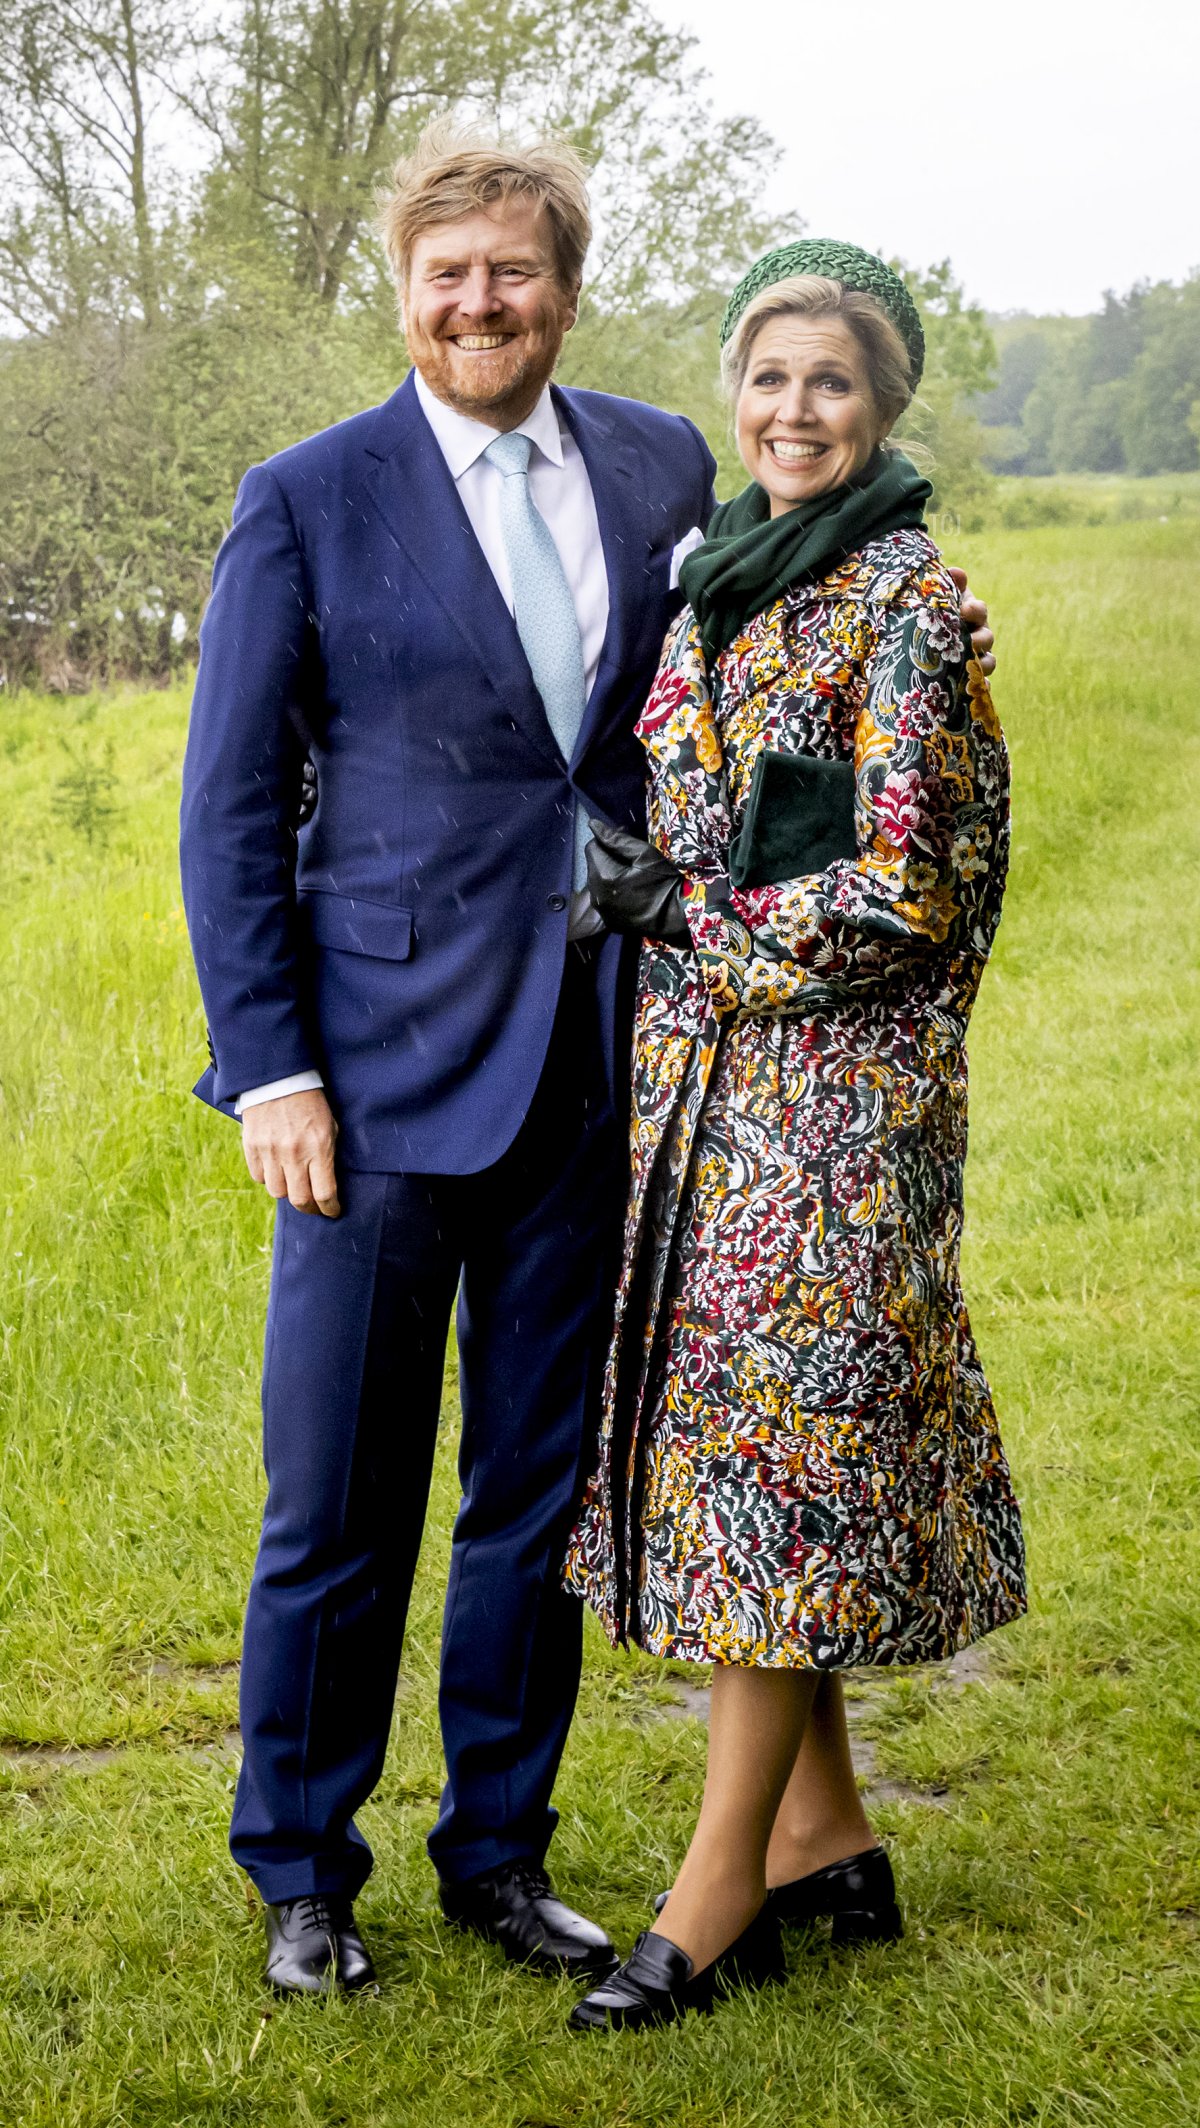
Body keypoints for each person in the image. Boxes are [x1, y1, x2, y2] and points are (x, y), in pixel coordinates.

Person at [180, 120, 996, 1998]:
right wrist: (273, 1070)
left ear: (566, 286)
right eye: (450, 272)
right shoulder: (304, 495)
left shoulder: (660, 463)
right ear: (402, 286)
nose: (485, 303)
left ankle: (499, 1850)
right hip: (375, 1083)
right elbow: (230, 811)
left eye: (517, 272)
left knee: (535, 1501)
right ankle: (304, 1866)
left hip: (603, 1070)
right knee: (340, 1496)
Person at [565, 241, 1026, 2034]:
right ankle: (828, 1841)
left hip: (839, 1115)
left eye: (831, 384)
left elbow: (908, 881)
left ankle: (715, 1890)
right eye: (767, 380)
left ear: (884, 406)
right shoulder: (713, 586)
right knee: (765, 1471)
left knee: (774, 1482)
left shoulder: (909, 602)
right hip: (705, 1107)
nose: (793, 412)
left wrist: (689, 923)